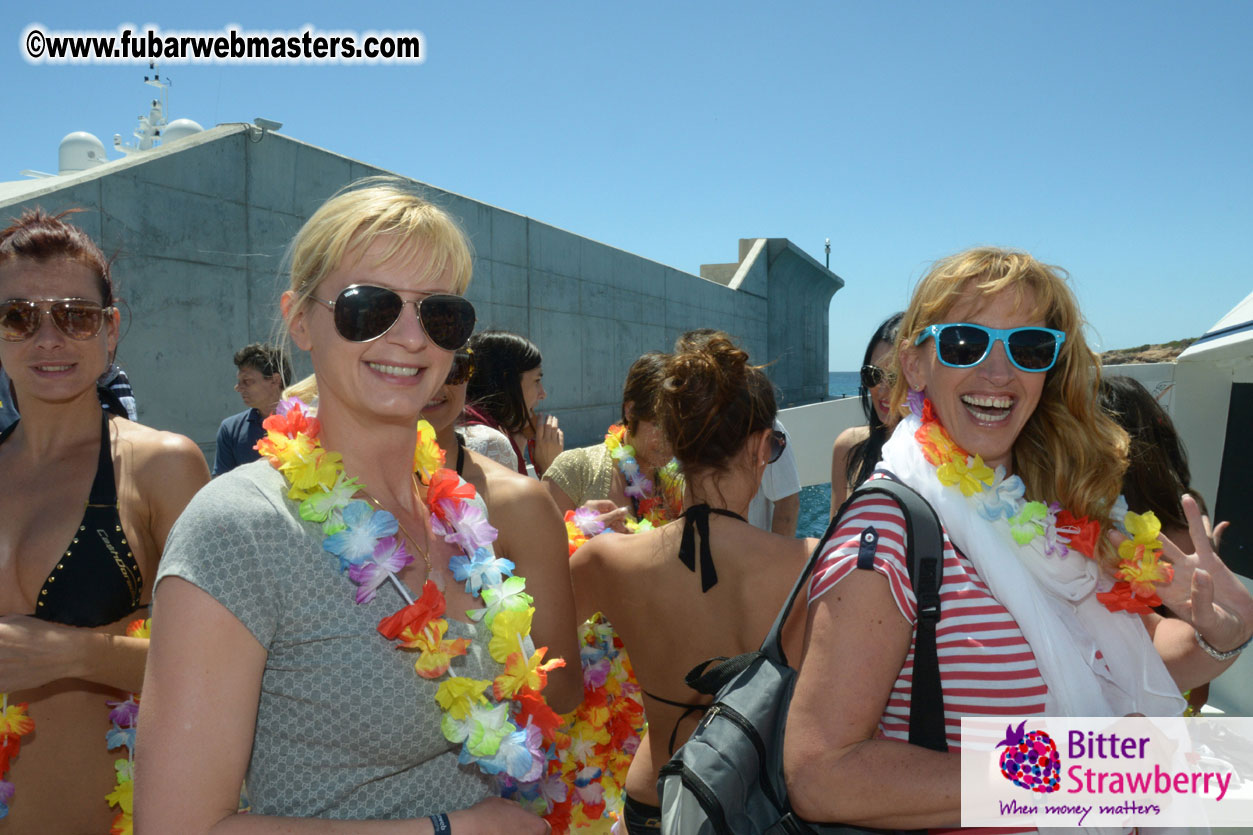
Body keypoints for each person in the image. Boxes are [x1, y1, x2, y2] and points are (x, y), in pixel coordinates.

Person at [136, 179, 579, 834]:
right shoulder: (241, 525)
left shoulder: (460, 510)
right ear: (300, 320)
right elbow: (176, 827)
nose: (409, 337)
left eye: (440, 313)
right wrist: (447, 829)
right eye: (368, 306)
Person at [783, 247, 1253, 829]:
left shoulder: (1050, 510)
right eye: (964, 343)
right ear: (916, 365)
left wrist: (1225, 636)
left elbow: (1139, 667)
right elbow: (821, 773)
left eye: (1027, 347)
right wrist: (1077, 774)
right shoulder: (887, 532)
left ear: (1047, 368)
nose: (999, 373)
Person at [0, 208, 209, 833]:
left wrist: (75, 652)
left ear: (110, 330)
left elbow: (230, 667)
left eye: (76, 316)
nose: (49, 339)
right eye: (17, 317)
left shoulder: (158, 467)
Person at [570, 334, 816, 834]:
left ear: (676, 443)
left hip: (653, 798)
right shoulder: (812, 566)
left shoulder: (605, 559)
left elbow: (529, 663)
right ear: (758, 446)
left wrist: (569, 530)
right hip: (758, 809)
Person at [543, 352, 677, 528]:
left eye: (679, 426)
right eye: (658, 425)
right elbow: (533, 548)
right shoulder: (576, 469)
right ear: (630, 411)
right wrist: (582, 531)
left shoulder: (680, 484)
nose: (671, 439)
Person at [829, 312, 902, 517]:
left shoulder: (942, 457)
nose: (881, 389)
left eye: (895, 378)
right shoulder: (848, 447)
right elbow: (834, 538)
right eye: (873, 375)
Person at [463, 330, 563, 476]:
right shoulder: (489, 443)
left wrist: (518, 446)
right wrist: (549, 466)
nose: (543, 394)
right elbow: (525, 500)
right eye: (537, 380)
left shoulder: (472, 425)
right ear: (508, 381)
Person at [212, 342, 291, 476]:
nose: (238, 388)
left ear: (275, 380)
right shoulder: (230, 429)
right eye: (239, 381)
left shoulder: (309, 419)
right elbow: (222, 484)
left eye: (247, 381)